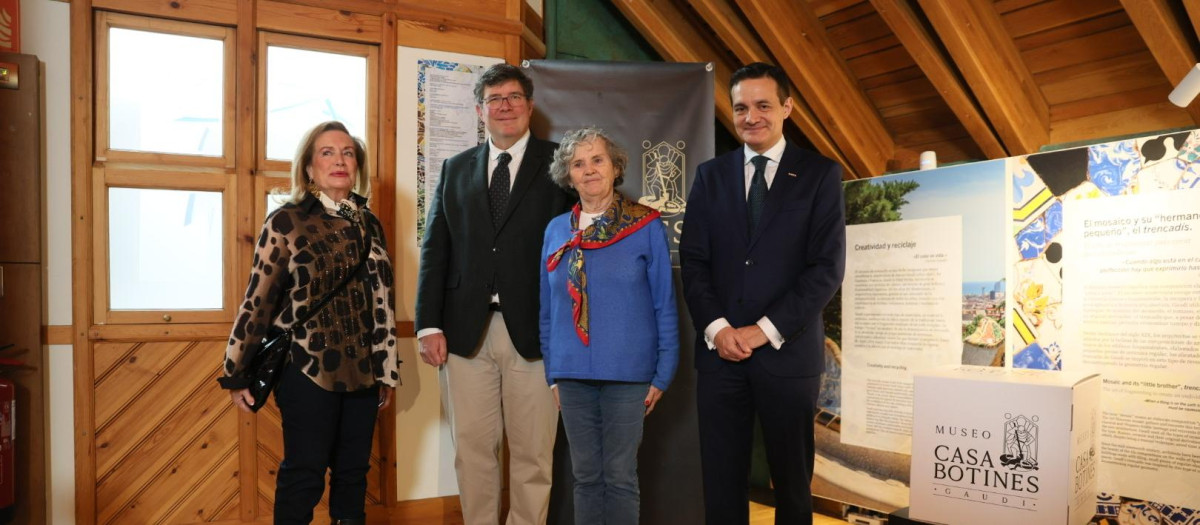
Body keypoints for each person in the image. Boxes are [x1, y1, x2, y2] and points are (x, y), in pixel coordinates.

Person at [679, 62, 846, 524]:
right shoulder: (710, 176)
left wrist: (762, 331)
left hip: (788, 355)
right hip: (720, 355)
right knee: (721, 478)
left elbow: (826, 269)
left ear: (787, 107)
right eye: (740, 107)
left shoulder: (819, 175)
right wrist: (717, 329)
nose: (751, 116)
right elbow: (693, 262)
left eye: (763, 105)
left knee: (793, 484)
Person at [415, 63, 574, 525]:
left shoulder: (561, 163)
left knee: (533, 455)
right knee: (473, 451)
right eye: (494, 99)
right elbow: (435, 250)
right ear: (479, 109)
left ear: (529, 105)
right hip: (465, 333)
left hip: (536, 333)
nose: (504, 106)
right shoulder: (455, 167)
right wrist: (428, 323)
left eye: (513, 97)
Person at [218, 121, 398, 525]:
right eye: (327, 152)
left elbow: (382, 302)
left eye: (347, 152)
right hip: (307, 367)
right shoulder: (287, 220)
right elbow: (258, 299)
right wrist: (235, 371)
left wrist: (386, 370)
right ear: (309, 168)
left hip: (364, 372)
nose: (339, 160)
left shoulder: (368, 222)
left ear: (357, 165)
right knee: (304, 474)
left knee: (354, 475)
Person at [539, 127, 679, 525]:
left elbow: (664, 305)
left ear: (615, 166)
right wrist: (553, 374)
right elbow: (547, 309)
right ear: (568, 176)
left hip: (629, 374)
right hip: (571, 373)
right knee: (584, 478)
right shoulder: (554, 231)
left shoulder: (645, 225)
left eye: (597, 159)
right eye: (578, 164)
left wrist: (663, 373)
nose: (589, 170)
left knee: (618, 477)